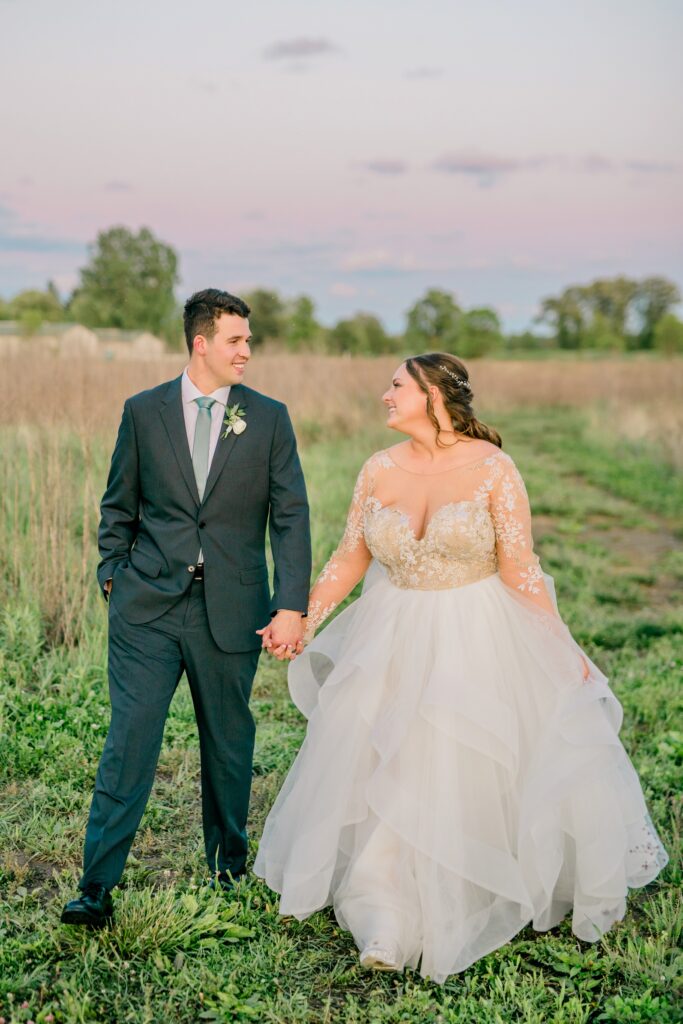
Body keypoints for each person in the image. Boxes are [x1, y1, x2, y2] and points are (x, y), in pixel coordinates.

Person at [254, 352, 668, 984]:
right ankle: (385, 910)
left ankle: (462, 887)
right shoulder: (378, 468)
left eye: (396, 385)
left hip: (474, 631)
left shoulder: (494, 468)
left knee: (452, 760)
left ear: (433, 395)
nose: (385, 394)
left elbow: (521, 569)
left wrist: (561, 648)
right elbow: (349, 557)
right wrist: (303, 620)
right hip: (392, 630)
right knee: (385, 757)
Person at [61, 288, 311, 927]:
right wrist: (113, 575)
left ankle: (228, 866)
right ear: (201, 343)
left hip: (231, 607)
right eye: (236, 340)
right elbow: (118, 505)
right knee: (130, 740)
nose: (247, 350)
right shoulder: (143, 412)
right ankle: (96, 885)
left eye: (248, 340)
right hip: (146, 606)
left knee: (228, 741)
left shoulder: (269, 418)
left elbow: (290, 517)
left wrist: (290, 605)